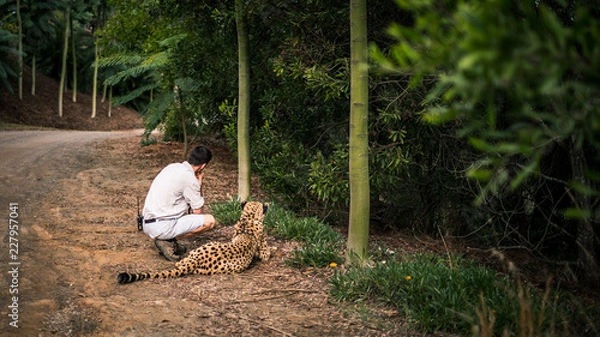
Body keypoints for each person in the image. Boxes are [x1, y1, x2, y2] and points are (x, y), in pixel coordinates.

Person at [142, 145, 216, 261]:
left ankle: (168, 239)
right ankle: (169, 241)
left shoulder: (173, 167)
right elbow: (197, 211)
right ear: (203, 166)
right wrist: (199, 182)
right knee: (209, 221)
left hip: (147, 222)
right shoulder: (190, 179)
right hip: (162, 226)